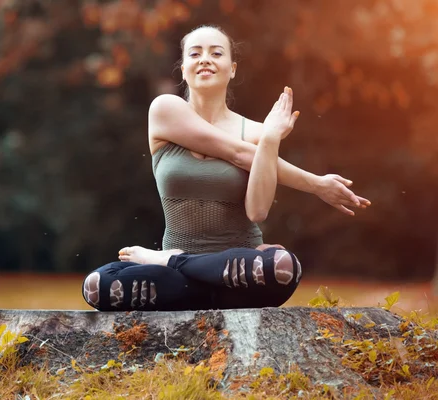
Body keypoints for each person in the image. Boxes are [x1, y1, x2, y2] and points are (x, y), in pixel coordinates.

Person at [81, 25, 371, 312]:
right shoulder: (165, 110)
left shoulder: (261, 132)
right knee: (97, 284)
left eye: (216, 53)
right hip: (227, 280)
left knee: (283, 268)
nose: (205, 59)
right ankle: (193, 279)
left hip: (235, 265)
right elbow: (238, 152)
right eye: (195, 53)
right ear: (183, 69)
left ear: (232, 69)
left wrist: (270, 139)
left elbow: (257, 212)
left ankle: (174, 265)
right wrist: (317, 184)